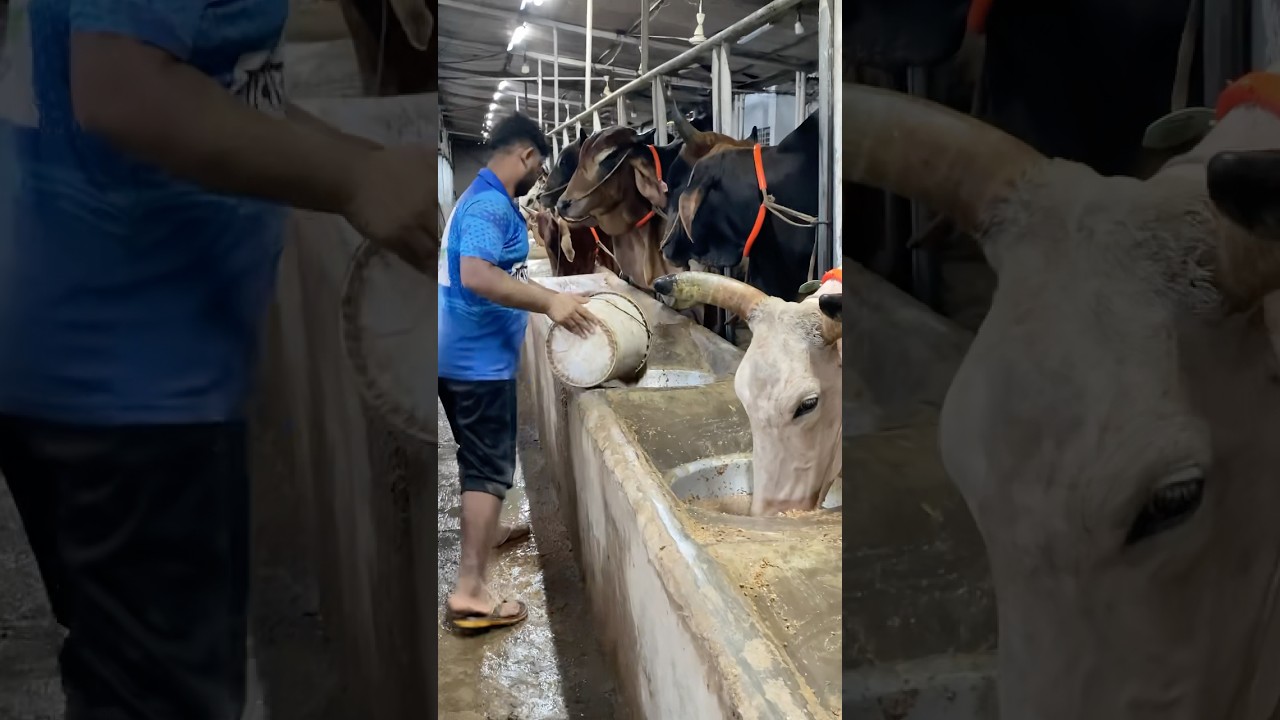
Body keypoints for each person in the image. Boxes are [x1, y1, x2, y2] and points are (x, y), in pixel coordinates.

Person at [0, 1, 437, 718]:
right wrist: (353, 181)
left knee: (137, 663)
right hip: (123, 363)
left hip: (114, 343)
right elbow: (124, 88)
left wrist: (363, 165)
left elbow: (213, 86)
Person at [439, 113, 598, 631]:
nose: (539, 177)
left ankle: (490, 525)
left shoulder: (477, 197)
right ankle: (470, 592)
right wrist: (550, 302)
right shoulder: (489, 205)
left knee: (476, 458)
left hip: (457, 354)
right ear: (528, 156)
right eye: (540, 166)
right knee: (488, 466)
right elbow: (477, 274)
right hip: (476, 363)